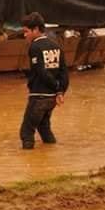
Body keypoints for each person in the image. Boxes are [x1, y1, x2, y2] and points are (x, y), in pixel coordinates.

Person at [20, 12, 69, 150]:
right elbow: (64, 71)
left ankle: (28, 161)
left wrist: (55, 86)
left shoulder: (35, 47)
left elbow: (41, 72)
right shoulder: (56, 46)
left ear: (36, 29)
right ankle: (49, 155)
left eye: (26, 31)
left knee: (26, 131)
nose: (25, 35)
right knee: (44, 127)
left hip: (39, 95)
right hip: (52, 98)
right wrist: (60, 91)